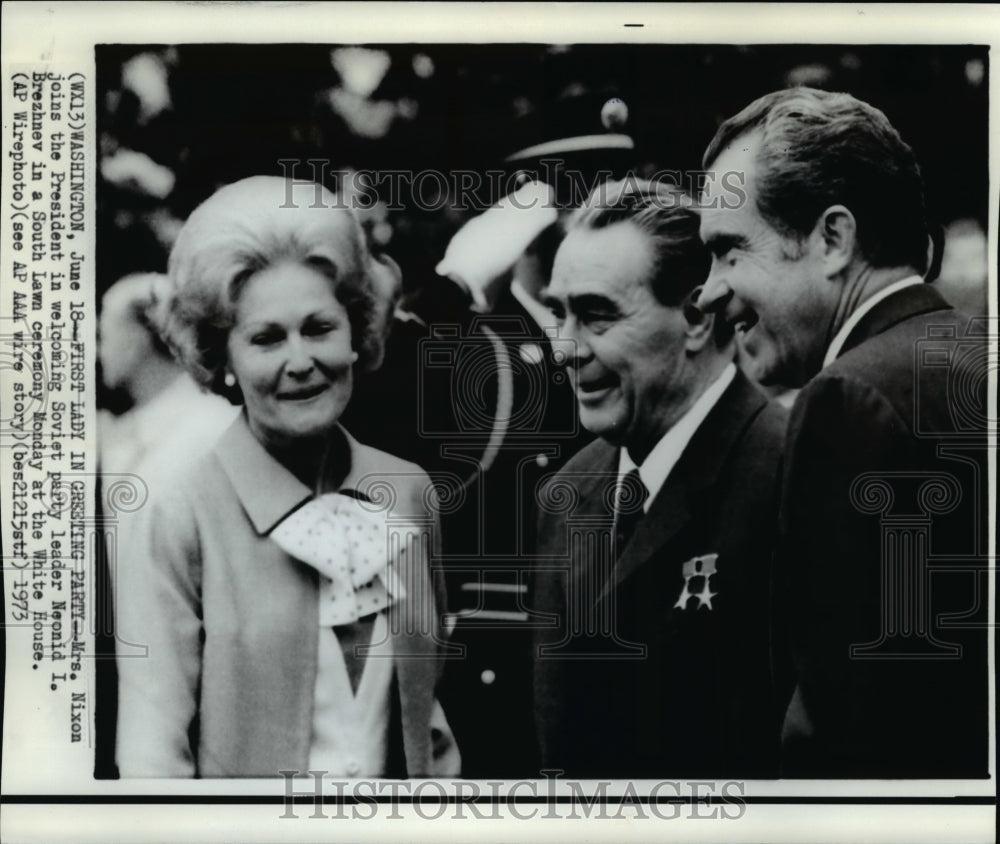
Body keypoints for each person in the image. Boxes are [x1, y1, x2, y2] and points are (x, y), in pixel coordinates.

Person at [115, 175, 459, 778]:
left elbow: (427, 726)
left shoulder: (408, 492)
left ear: (357, 330)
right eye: (267, 339)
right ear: (222, 359)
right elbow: (152, 759)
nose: (300, 361)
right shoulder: (178, 513)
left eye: (319, 328)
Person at [698, 87, 989, 777]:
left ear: (833, 238)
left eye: (729, 251)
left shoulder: (847, 401)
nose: (708, 291)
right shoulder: (967, 358)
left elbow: (844, 733)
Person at [532, 180, 788, 778]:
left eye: (596, 315)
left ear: (697, 317)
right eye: (558, 315)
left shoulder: (787, 476)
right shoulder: (566, 493)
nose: (564, 350)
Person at [98, 272, 237, 485]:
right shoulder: (121, 436)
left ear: (138, 340)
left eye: (103, 336)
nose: (98, 352)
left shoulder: (213, 423)